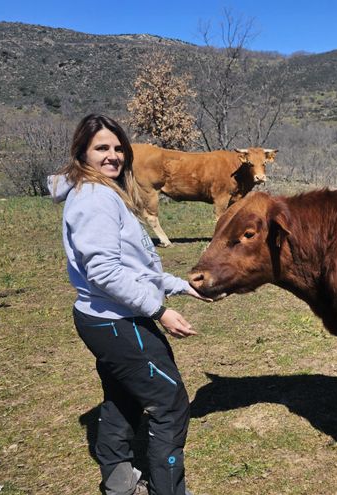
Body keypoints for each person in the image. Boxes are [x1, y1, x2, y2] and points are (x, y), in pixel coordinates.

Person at [49, 114, 207, 495]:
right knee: (170, 404)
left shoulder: (101, 192)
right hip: (116, 321)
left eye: (118, 148)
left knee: (123, 396)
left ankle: (118, 480)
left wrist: (181, 286)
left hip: (105, 317)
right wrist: (160, 311)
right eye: (102, 148)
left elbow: (132, 268)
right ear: (82, 152)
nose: (113, 155)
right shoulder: (95, 198)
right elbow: (104, 271)